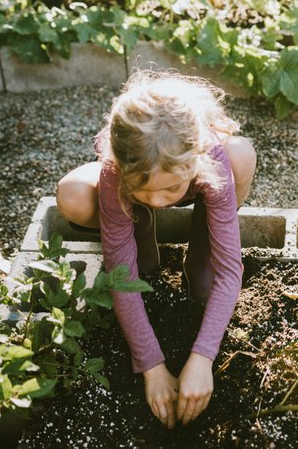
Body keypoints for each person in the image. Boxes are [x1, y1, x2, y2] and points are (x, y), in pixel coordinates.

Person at [56, 70, 256, 428]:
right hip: (124, 191)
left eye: (167, 191)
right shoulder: (115, 171)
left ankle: (200, 247)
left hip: (202, 183)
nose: (158, 200)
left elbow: (231, 271)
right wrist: (151, 365)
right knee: (77, 200)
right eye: (145, 193)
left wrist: (202, 357)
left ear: (196, 163)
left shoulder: (209, 156)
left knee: (242, 153)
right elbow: (121, 278)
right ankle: (138, 224)